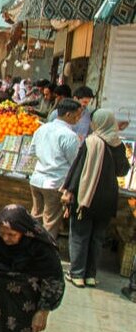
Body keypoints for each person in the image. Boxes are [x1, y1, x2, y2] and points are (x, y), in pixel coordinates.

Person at [0, 205, 65, 332]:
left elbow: (54, 281)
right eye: (2, 233)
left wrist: (43, 312)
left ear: (24, 231)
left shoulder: (41, 248)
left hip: (22, 309)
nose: (6, 239)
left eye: (12, 234)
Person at [61, 109, 130, 287]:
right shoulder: (118, 144)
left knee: (79, 235)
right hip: (108, 198)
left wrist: (69, 190)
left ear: (97, 123)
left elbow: (78, 169)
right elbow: (123, 171)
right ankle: (90, 275)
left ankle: (77, 274)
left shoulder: (91, 142)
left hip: (87, 196)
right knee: (97, 238)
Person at [29, 99, 82, 239]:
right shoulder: (70, 136)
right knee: (50, 223)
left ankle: (31, 247)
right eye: (78, 115)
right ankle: (45, 253)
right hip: (54, 183)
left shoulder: (42, 129)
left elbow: (32, 151)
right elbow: (74, 162)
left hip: (37, 180)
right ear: (68, 114)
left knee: (36, 218)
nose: (79, 118)